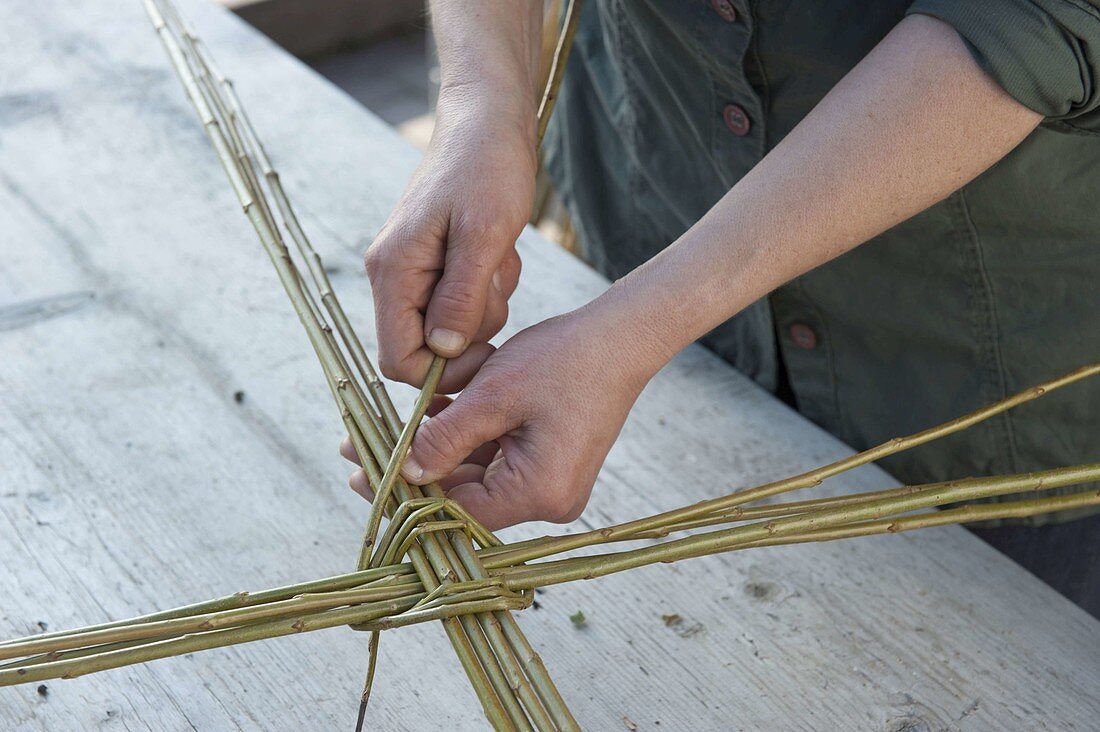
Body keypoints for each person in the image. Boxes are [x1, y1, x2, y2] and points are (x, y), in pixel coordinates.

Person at [341, 2, 1100, 615]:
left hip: (1005, 362)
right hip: (652, 200)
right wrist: (483, 105)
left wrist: (636, 326)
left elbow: (1036, 15)